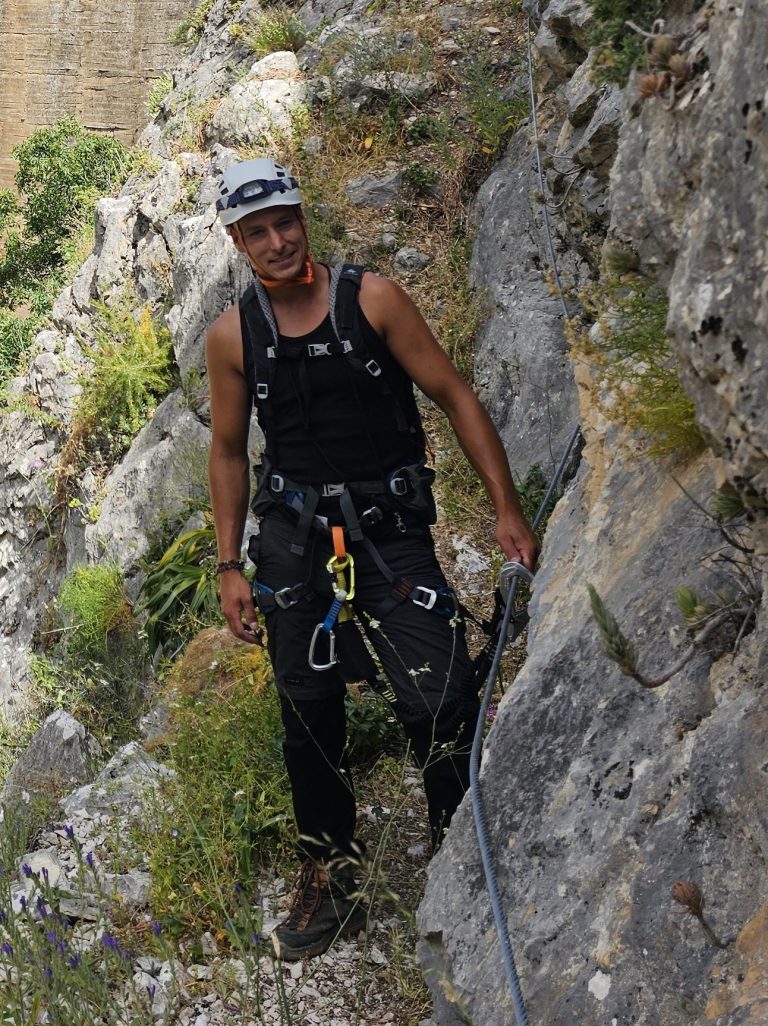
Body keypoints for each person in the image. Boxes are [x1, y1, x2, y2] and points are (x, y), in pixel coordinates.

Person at [205, 157, 539, 961]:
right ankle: (329, 869)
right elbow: (226, 450)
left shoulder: (372, 299)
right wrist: (228, 565)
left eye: (287, 221)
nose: (279, 240)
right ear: (239, 242)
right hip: (292, 538)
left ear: (302, 218)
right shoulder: (232, 337)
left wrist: (504, 506)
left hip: (388, 529)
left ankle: (459, 845)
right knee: (307, 713)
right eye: (259, 231)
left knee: (443, 698)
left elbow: (453, 394)